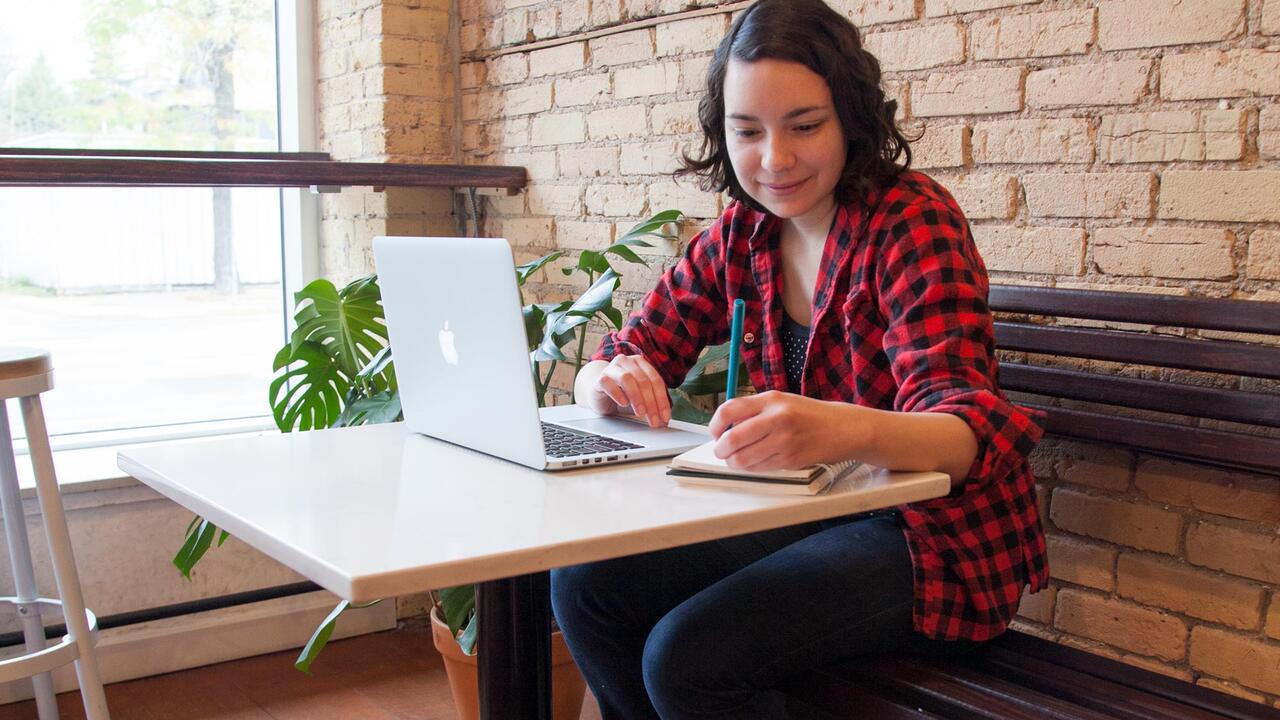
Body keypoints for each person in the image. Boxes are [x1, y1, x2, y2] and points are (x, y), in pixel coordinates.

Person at [551, 1, 1048, 717]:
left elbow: (964, 433)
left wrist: (842, 427)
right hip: (813, 509)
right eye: (746, 131)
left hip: (928, 538)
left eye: (805, 126)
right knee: (584, 585)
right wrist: (608, 379)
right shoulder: (744, 231)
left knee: (688, 657)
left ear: (851, 117)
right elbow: (633, 346)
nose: (774, 159)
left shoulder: (911, 220)